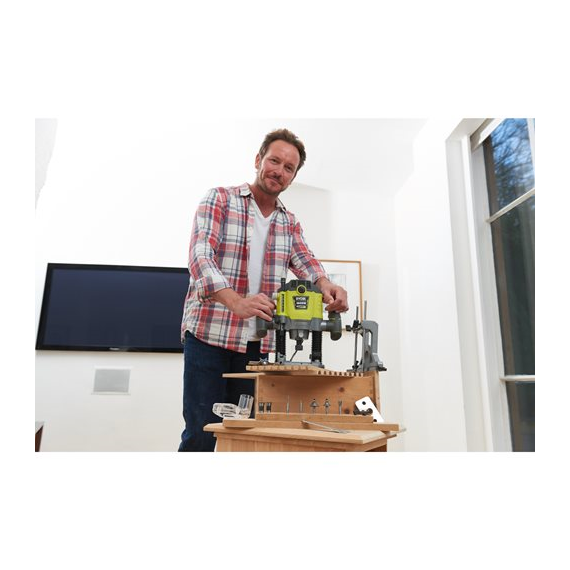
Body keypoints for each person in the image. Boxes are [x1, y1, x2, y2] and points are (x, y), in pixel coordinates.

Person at [178, 128, 348, 451]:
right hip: (209, 336)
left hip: (257, 346)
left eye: (289, 168)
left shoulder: (288, 222)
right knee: (201, 434)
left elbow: (306, 262)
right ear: (258, 160)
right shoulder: (220, 199)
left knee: (248, 437)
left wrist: (327, 285)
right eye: (274, 161)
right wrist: (236, 302)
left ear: (293, 177)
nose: (279, 171)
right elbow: (200, 258)